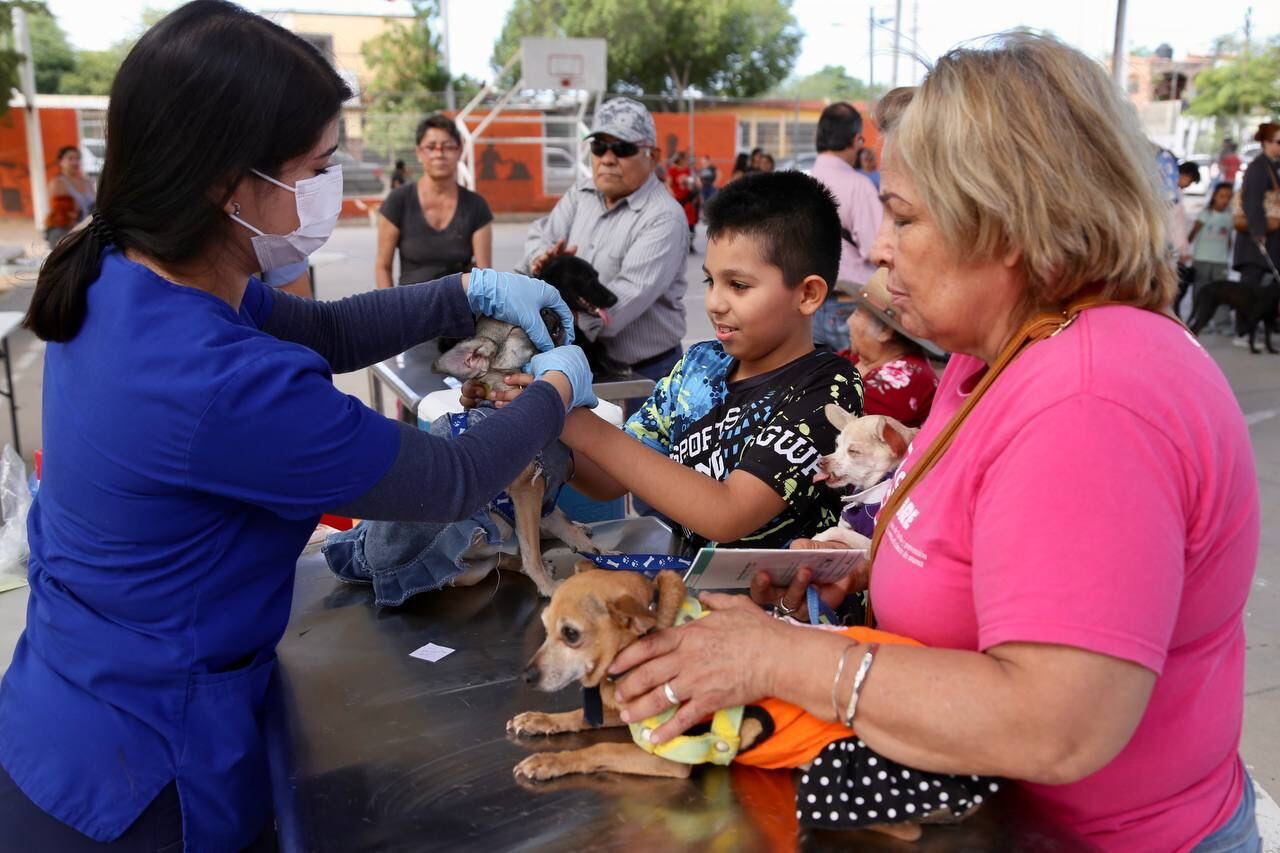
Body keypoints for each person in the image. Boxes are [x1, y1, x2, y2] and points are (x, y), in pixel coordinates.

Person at [607, 32, 1261, 852]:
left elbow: (1056, 722)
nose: (879, 248)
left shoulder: (1092, 401)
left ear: (1009, 223)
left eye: (905, 216)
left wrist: (783, 660)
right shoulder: (992, 356)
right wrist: (863, 578)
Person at [0, 3, 596, 848]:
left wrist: (467, 292)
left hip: (61, 697)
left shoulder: (126, 268)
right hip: (136, 770)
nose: (332, 186)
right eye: (316, 166)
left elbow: (324, 329)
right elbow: (451, 479)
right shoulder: (219, 384)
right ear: (228, 182)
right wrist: (558, 390)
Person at [476, 170, 863, 551]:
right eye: (710, 281)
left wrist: (570, 417)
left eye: (739, 286)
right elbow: (613, 478)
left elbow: (727, 514)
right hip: (691, 593)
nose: (714, 303)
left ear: (808, 294)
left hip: (778, 608)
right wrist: (538, 418)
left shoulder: (830, 389)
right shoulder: (699, 365)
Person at [523, 97, 689, 381]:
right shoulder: (581, 193)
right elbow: (540, 237)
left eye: (623, 148)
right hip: (582, 362)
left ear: (653, 156)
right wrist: (541, 260)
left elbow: (616, 308)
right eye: (599, 147)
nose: (608, 159)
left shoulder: (664, 217)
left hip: (643, 375)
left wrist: (553, 316)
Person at [376, 114, 493, 288]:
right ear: (419, 152)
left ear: (459, 150)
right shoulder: (398, 201)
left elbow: (485, 275)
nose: (439, 154)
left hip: (459, 308)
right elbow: (382, 267)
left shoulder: (476, 206)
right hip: (408, 307)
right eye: (431, 147)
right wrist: (389, 311)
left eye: (447, 147)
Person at [810, 101, 883, 351]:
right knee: (851, 385)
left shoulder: (800, 183)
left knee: (815, 387)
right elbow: (875, 250)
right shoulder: (858, 186)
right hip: (848, 305)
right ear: (855, 140)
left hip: (806, 306)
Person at [836, 270, 937, 428]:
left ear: (885, 332)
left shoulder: (907, 378)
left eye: (857, 314)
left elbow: (841, 428)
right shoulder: (860, 358)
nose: (849, 322)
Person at [1232, 122, 1280, 298]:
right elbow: (1252, 202)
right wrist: (1259, 231)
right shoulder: (1258, 167)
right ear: (1266, 142)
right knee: (1249, 295)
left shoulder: (1273, 166)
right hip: (1257, 243)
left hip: (1268, 240)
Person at [1187, 182, 1235, 327]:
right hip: (1201, 259)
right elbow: (1192, 234)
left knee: (1223, 293)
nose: (1225, 200)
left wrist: (1227, 256)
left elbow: (1229, 239)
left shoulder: (1230, 217)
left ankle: (1221, 323)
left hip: (1220, 261)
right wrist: (1185, 252)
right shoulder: (1205, 214)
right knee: (1200, 291)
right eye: (1222, 196)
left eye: (1228, 197)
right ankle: (1200, 320)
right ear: (1214, 196)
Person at [44, 146, 96, 247]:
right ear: (61, 162)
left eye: (77, 158)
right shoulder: (57, 183)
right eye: (70, 158)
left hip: (87, 233)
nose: (75, 162)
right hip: (65, 234)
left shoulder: (87, 182)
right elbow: (61, 214)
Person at [666, 150, 699, 252]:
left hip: (687, 198)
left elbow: (691, 183)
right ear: (680, 159)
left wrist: (693, 185)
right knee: (676, 222)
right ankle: (676, 244)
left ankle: (690, 243)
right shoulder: (673, 170)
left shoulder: (687, 170)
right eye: (685, 159)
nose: (687, 161)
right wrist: (671, 194)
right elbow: (668, 184)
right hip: (677, 199)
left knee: (690, 221)